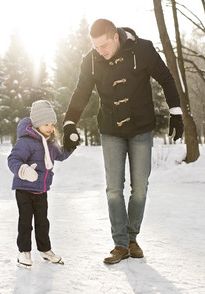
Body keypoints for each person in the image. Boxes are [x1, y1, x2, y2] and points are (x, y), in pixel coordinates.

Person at [62, 19, 184, 264]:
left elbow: (167, 78)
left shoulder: (143, 49)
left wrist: (176, 112)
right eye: (96, 47)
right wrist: (69, 123)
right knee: (114, 189)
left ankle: (132, 238)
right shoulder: (92, 61)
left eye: (104, 45)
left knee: (139, 188)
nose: (101, 51)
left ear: (116, 37)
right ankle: (120, 244)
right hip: (111, 130)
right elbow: (81, 92)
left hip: (141, 129)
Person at [8, 100, 73, 267]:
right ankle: (24, 252)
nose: (50, 128)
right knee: (25, 222)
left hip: (41, 189)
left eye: (52, 124)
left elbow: (61, 155)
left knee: (43, 222)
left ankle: (45, 249)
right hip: (24, 189)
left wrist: (71, 144)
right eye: (46, 124)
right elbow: (13, 159)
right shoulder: (26, 141)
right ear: (37, 123)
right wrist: (23, 170)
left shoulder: (50, 142)